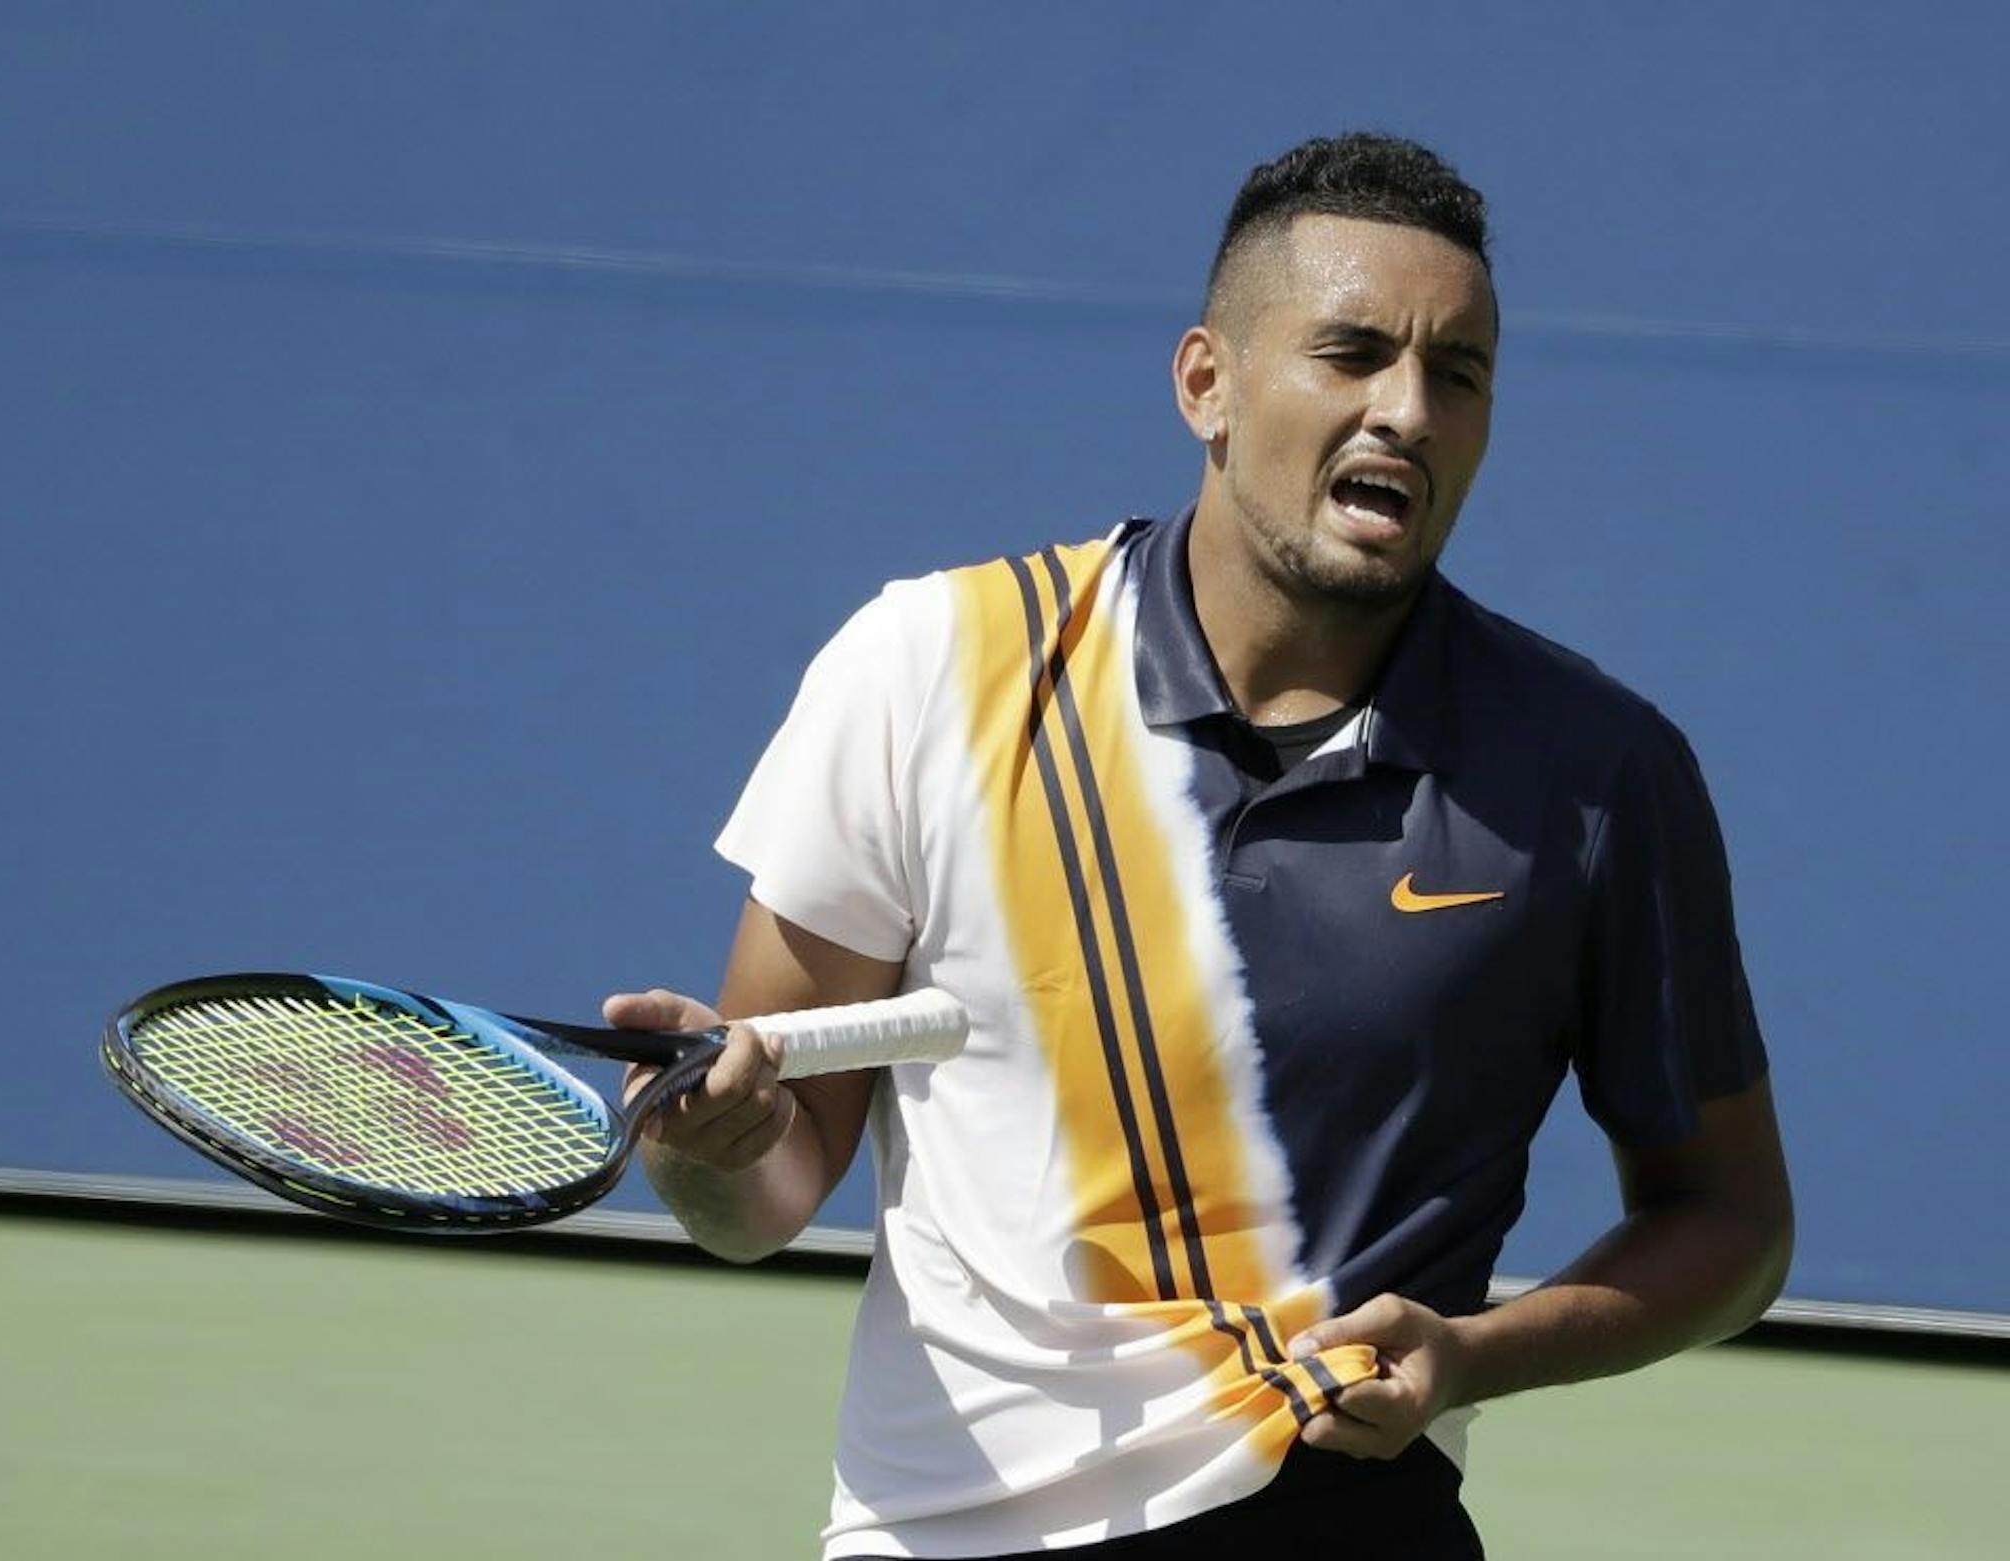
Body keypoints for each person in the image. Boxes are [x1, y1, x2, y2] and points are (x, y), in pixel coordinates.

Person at [604, 132, 1793, 1560]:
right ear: (1206, 385)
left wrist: (1475, 1355)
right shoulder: (930, 667)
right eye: (1352, 353)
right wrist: (709, 1149)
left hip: (1347, 1520)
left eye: (1456, 372)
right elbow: (764, 1195)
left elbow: (1730, 1221)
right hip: (941, 1533)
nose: (1407, 410)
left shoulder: (1599, 773)